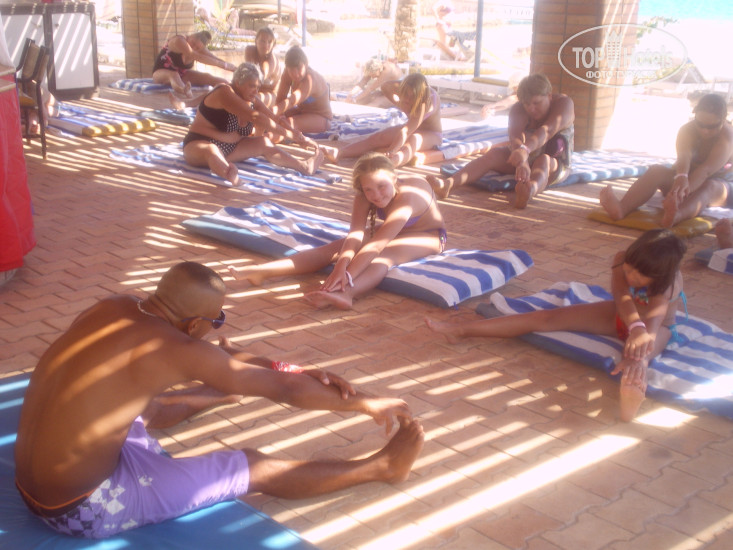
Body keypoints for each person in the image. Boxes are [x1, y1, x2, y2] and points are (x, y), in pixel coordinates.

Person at [14, 261, 424, 539]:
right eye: (217, 321)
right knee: (253, 465)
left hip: (37, 482)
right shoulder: (175, 348)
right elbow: (285, 391)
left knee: (145, 407)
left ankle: (217, 390)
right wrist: (366, 402)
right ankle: (382, 468)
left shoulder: (114, 306)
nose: (217, 328)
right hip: (81, 508)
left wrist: (291, 368)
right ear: (196, 324)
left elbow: (228, 359)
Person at [425, 229, 686, 422]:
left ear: (658, 276)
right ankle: (461, 331)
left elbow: (654, 321)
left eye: (640, 276)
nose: (631, 276)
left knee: (638, 359)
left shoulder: (670, 282)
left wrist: (640, 340)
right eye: (629, 270)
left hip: (656, 328)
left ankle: (629, 406)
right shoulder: (622, 258)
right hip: (621, 315)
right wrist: (634, 326)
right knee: (545, 318)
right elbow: (621, 295)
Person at [229, 152, 447, 310]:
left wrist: (347, 276)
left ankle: (347, 294)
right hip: (392, 230)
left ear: (394, 179)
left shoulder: (408, 197)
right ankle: (262, 271)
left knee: (383, 257)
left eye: (381, 186)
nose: (376, 195)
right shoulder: (363, 197)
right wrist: (340, 266)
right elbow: (355, 236)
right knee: (334, 248)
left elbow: (377, 246)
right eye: (369, 189)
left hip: (428, 235)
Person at [427, 73, 575, 208]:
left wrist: (524, 151)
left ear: (549, 96)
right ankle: (448, 185)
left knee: (543, 161)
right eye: (527, 104)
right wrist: (521, 161)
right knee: (494, 154)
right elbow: (515, 136)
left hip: (555, 162)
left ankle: (529, 190)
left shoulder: (564, 105)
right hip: (526, 156)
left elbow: (547, 131)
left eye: (536, 103)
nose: (531, 109)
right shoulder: (519, 109)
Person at [600, 93, 733, 228]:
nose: (705, 131)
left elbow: (705, 171)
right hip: (690, 180)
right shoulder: (687, 130)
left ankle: (676, 215)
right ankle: (621, 208)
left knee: (709, 186)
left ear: (723, 120)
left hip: (720, 187)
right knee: (656, 171)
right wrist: (681, 177)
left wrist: (680, 193)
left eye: (711, 127)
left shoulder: (727, 137)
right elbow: (684, 157)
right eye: (700, 124)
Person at [182, 63, 324, 185]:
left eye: (258, 87)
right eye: (251, 86)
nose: (256, 91)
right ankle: (228, 173)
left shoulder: (251, 98)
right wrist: (288, 135)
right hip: (198, 145)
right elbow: (256, 117)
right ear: (238, 82)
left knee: (264, 142)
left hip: (231, 150)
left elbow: (275, 118)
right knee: (211, 150)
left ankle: (304, 166)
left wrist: (298, 136)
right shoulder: (224, 92)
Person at [323, 73, 442, 168]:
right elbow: (386, 86)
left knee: (412, 141)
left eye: (412, 97)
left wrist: (392, 151)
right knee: (379, 137)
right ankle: (339, 153)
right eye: (406, 95)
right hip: (411, 128)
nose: (408, 99)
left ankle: (390, 163)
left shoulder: (427, 101)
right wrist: (399, 102)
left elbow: (406, 132)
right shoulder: (405, 93)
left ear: (419, 95)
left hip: (431, 134)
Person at [152, 31, 236, 99]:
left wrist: (235, 69)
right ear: (190, 36)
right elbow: (194, 55)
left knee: (207, 77)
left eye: (198, 48)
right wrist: (222, 65)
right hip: (160, 73)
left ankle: (234, 88)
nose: (194, 47)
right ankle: (184, 90)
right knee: (174, 75)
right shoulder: (179, 40)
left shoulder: (200, 49)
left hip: (182, 75)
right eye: (193, 43)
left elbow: (215, 59)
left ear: (202, 48)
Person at [273, 46, 333, 134]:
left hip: (321, 117)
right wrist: (273, 115)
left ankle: (263, 139)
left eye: (299, 68)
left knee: (285, 124)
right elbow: (280, 99)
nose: (296, 74)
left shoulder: (311, 79)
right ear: (287, 68)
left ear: (306, 64)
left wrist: (270, 112)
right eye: (291, 70)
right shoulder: (287, 74)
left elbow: (292, 101)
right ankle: (258, 135)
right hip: (301, 111)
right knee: (273, 120)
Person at [244, 27, 281, 107]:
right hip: (254, 90)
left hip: (271, 94)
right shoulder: (250, 51)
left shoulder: (271, 60)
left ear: (273, 45)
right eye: (262, 41)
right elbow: (247, 73)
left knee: (251, 99)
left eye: (269, 42)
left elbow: (258, 78)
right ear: (256, 41)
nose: (266, 45)